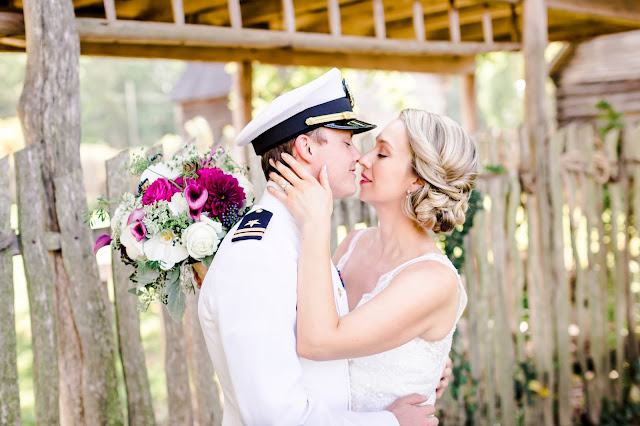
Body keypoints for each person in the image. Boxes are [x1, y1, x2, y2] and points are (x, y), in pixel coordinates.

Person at [198, 69, 448, 425]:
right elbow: (277, 417)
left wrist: (419, 358)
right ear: (307, 147)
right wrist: (388, 423)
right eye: (347, 142)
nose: (358, 157)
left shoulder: (298, 236)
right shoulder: (257, 255)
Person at [267, 108, 477, 411]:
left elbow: (317, 342)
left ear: (417, 178)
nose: (363, 159)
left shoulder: (433, 281)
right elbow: (301, 318)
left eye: (382, 154)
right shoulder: (354, 243)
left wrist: (315, 224)